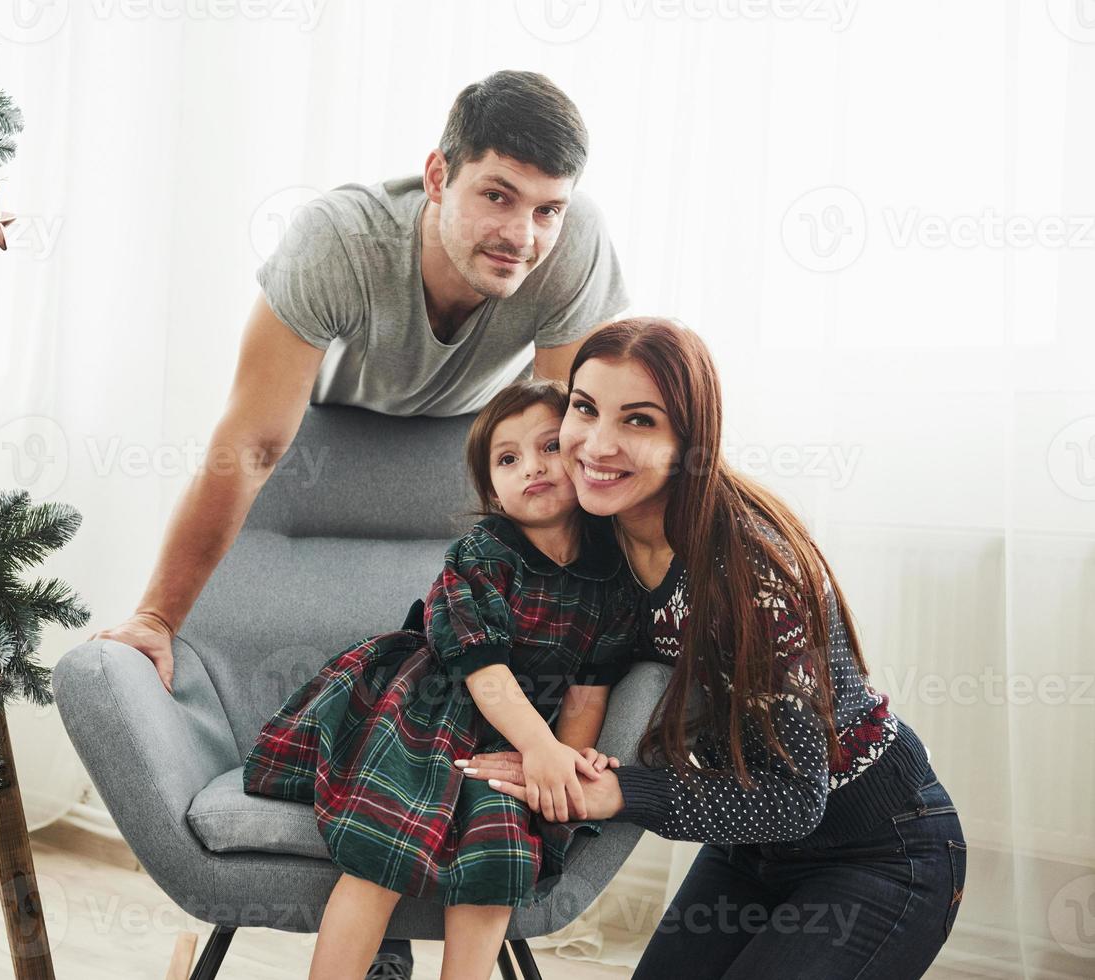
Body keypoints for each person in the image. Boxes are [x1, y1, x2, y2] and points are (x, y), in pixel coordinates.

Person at [88, 69, 630, 978]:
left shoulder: (570, 250)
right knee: (397, 714)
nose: (522, 234)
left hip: (474, 435)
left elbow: (566, 439)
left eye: (546, 208)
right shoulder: (337, 241)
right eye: (497, 195)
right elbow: (252, 444)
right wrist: (156, 616)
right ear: (436, 175)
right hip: (326, 426)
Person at [456, 317, 968, 977]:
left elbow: (794, 799)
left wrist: (614, 792)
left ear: (687, 442)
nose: (596, 443)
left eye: (638, 421)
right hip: (748, 845)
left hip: (877, 849)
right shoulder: (590, 533)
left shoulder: (750, 575)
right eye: (584, 408)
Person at [241, 380, 633, 980]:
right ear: (492, 488)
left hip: (513, 736)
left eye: (549, 446)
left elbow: (589, 689)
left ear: (581, 454)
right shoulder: (480, 555)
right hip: (427, 711)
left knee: (501, 851)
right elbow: (484, 671)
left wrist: (564, 761)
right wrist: (542, 746)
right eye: (508, 459)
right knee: (384, 846)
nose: (531, 466)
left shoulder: (612, 578)